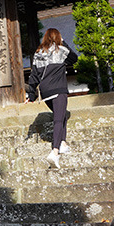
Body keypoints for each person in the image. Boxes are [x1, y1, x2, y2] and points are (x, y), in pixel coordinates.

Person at [26, 28, 76, 169]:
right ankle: (55, 152)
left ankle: (63, 143)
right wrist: (64, 43)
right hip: (58, 89)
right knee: (58, 120)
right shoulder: (61, 50)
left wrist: (31, 95)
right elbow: (74, 58)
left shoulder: (38, 53)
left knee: (61, 115)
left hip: (45, 92)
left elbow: (33, 76)